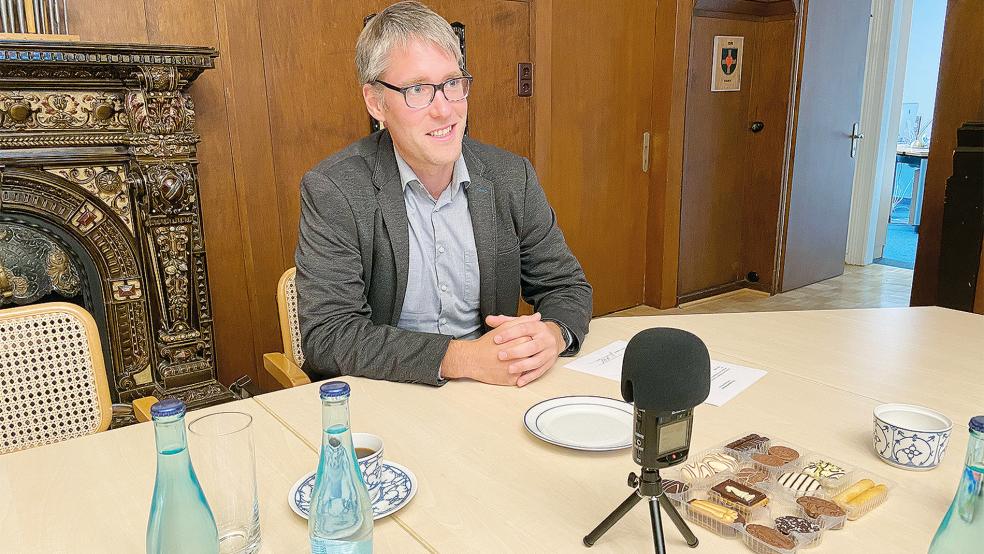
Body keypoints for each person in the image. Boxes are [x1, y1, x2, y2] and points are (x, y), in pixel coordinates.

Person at [295, 1, 591, 387]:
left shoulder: (510, 176)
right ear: (376, 102)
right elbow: (330, 333)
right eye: (418, 89)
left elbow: (566, 285)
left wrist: (552, 334)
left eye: (453, 84)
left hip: (489, 391)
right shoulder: (335, 189)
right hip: (384, 393)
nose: (445, 110)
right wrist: (463, 357)